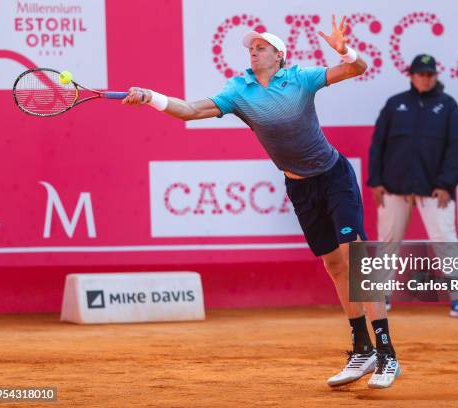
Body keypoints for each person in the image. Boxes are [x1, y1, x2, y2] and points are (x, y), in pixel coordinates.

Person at [122, 16, 401, 388]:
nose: (253, 52)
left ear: (279, 55)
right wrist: (151, 98)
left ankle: (387, 354)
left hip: (334, 178)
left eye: (261, 48)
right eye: (251, 49)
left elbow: (357, 68)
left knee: (355, 258)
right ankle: (362, 349)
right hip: (299, 188)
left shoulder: (301, 78)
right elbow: (189, 110)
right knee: (334, 265)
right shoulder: (239, 91)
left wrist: (344, 50)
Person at [367, 54, 458, 318]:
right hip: (394, 188)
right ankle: (381, 297)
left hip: (435, 189)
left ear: (435, 76)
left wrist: (446, 184)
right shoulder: (395, 105)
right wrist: (376, 181)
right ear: (411, 75)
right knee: (388, 241)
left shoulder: (448, 106)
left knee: (445, 241)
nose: (425, 79)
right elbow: (378, 144)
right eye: (421, 74)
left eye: (429, 74)